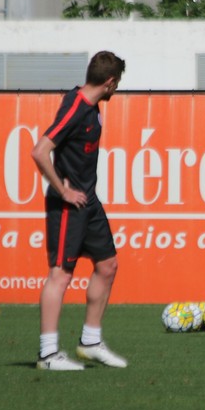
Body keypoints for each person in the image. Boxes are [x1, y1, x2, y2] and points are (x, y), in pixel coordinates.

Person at [31, 51, 127, 371]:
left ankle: (91, 341)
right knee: (61, 275)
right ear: (110, 82)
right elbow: (40, 150)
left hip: (89, 202)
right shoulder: (75, 107)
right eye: (118, 84)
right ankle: (47, 355)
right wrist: (64, 191)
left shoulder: (92, 106)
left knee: (108, 265)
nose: (117, 90)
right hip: (69, 205)